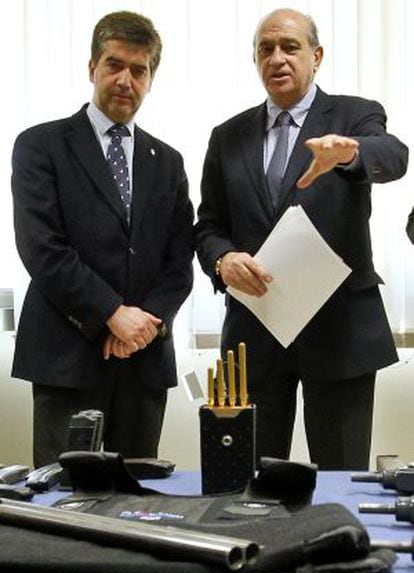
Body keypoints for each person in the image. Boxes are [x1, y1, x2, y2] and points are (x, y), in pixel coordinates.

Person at [194, 8, 408, 471]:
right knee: (250, 488)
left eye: (290, 47)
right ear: (254, 60)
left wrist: (349, 153)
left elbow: (393, 157)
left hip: (340, 333)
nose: (277, 58)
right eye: (265, 49)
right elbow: (208, 226)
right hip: (255, 332)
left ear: (317, 56)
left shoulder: (354, 114)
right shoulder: (226, 136)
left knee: (340, 483)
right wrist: (223, 259)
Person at [11, 11, 194, 468]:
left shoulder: (168, 162)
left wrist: (143, 323)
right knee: (65, 505)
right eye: (114, 65)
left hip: (144, 361)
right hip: (67, 357)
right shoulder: (40, 145)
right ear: (92, 68)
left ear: (152, 78)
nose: (124, 79)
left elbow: (179, 261)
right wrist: (110, 314)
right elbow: (42, 248)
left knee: (137, 505)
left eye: (139, 70)